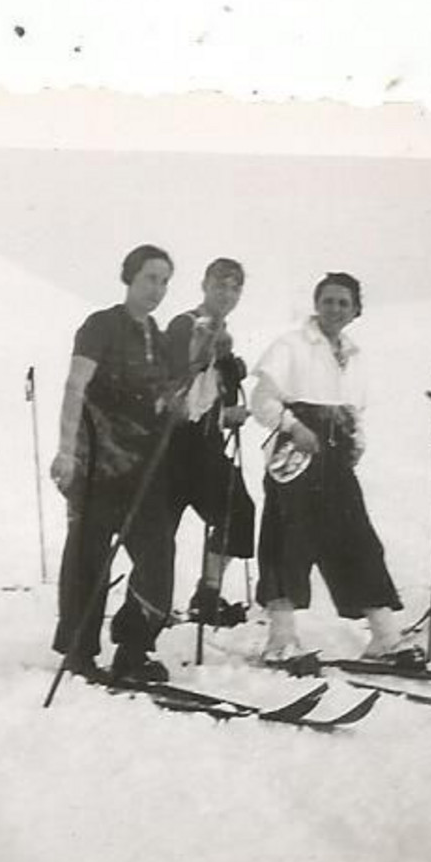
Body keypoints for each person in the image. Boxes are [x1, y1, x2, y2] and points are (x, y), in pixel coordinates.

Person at [51, 243, 209, 683]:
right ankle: (79, 653)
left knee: (158, 552)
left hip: (143, 466)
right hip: (97, 460)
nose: (157, 289)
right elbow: (74, 387)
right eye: (149, 279)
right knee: (88, 556)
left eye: (164, 282)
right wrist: (66, 451)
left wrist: (194, 370)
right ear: (130, 278)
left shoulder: (157, 335)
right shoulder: (100, 325)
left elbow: (169, 398)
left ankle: (133, 648)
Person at [251, 272, 414, 665]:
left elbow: (353, 411)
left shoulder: (354, 356)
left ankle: (384, 638)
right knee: (287, 540)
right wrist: (294, 427)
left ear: (356, 310)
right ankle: (281, 640)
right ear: (316, 304)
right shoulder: (291, 345)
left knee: (356, 536)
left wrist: (356, 440)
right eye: (328, 301)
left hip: (336, 456)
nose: (335, 309)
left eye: (343, 303)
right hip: (296, 453)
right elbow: (263, 401)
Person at [163, 257, 255, 627]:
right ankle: (151, 607)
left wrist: (229, 412)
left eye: (235, 287)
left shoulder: (225, 335)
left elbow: (215, 395)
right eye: (221, 284)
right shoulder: (185, 324)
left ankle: (208, 592)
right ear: (204, 285)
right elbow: (177, 382)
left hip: (207, 444)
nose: (227, 293)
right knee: (161, 529)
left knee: (238, 512)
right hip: (173, 443)